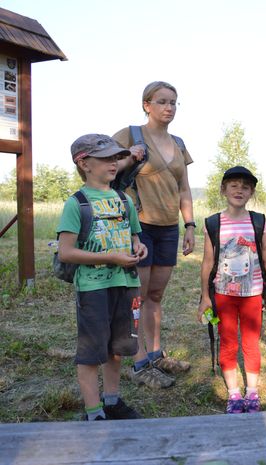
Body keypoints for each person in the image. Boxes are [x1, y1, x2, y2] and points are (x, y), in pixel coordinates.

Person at [57, 134, 148, 420]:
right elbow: (66, 252)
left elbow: (135, 238)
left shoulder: (124, 200)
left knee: (116, 347)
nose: (114, 163)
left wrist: (138, 247)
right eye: (106, 158)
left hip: (126, 284)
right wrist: (110, 257)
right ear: (84, 164)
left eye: (116, 158)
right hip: (94, 289)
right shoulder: (77, 204)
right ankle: (94, 412)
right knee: (91, 351)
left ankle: (112, 401)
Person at [113, 81, 195, 388]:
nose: (169, 107)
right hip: (139, 227)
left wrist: (189, 225)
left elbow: (184, 188)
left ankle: (156, 354)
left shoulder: (179, 143)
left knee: (156, 295)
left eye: (173, 102)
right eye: (162, 101)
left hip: (168, 228)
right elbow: (103, 166)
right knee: (137, 295)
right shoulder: (130, 134)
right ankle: (139, 361)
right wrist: (128, 156)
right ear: (147, 105)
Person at [198, 166, 266, 413]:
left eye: (245, 187)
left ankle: (252, 393)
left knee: (251, 343)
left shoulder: (258, 221)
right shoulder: (213, 223)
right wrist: (205, 296)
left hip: (253, 293)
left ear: (252, 192)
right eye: (233, 185)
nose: (239, 190)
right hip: (223, 295)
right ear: (223, 190)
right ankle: (233, 394)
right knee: (228, 342)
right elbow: (208, 261)